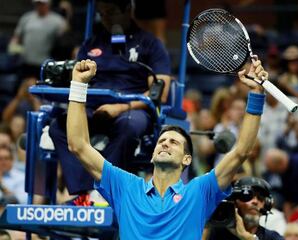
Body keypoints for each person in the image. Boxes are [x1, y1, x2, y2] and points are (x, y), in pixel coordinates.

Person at [66, 55, 267, 239]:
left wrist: (256, 93)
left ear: (186, 160)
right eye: (161, 141)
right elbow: (79, 146)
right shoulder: (126, 187)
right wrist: (78, 85)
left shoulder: (199, 192)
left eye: (174, 142)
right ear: (152, 156)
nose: (165, 143)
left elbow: (242, 151)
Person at [49, 0, 172, 204]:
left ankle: (104, 190)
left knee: (129, 125)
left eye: (111, 12)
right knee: (58, 127)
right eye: (102, 13)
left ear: (128, 10)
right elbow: (77, 78)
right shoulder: (92, 44)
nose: (105, 18)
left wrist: (120, 108)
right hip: (92, 107)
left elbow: (160, 92)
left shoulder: (150, 44)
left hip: (131, 107)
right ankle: (83, 192)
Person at [207, 176, 284, 240]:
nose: (255, 201)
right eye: (247, 196)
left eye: (260, 197)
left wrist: (247, 238)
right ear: (235, 202)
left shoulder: (273, 237)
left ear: (267, 205)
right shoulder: (217, 233)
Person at [8, 0, 67, 81]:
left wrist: (67, 14)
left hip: (44, 64)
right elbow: (16, 37)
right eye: (37, 4)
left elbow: (66, 37)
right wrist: (13, 48)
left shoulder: (57, 20)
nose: (39, 6)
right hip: (25, 63)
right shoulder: (26, 18)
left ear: (48, 4)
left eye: (42, 4)